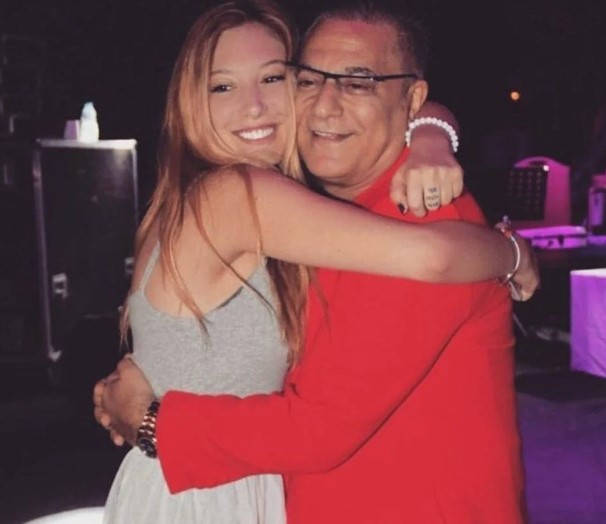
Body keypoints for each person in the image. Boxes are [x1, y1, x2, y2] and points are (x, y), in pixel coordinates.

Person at [95, 1, 539, 523]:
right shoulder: (257, 200)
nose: (325, 106)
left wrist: (151, 422)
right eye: (310, 81)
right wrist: (510, 251)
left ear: (411, 98)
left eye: (357, 83)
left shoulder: (419, 211)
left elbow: (318, 429)